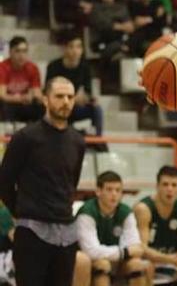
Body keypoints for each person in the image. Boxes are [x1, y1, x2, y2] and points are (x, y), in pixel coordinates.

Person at [0, 77, 86, 286]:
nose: (65, 101)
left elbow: (71, 183)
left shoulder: (77, 141)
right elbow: (4, 182)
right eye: (59, 96)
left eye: (70, 97)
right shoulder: (25, 137)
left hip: (66, 232)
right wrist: (22, 212)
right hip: (31, 231)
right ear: (46, 99)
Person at [133, 166, 177, 286]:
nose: (170, 189)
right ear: (157, 186)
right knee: (144, 267)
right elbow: (141, 249)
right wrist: (170, 259)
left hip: (172, 262)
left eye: (174, 185)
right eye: (165, 184)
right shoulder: (144, 209)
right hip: (149, 261)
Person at [75, 171, 151, 285]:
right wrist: (124, 252)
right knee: (103, 266)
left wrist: (125, 253)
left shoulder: (126, 212)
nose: (114, 194)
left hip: (116, 262)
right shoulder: (87, 212)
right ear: (98, 191)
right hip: (89, 263)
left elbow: (135, 248)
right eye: (109, 189)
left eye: (118, 190)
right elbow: (91, 251)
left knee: (137, 265)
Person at [46, 36, 104, 136]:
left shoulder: (85, 68)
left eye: (78, 47)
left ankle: (98, 141)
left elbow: (87, 93)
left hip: (76, 107)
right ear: (64, 49)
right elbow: (48, 92)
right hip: (58, 106)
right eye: (71, 47)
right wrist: (70, 98)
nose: (75, 51)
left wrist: (89, 98)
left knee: (96, 109)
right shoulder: (53, 67)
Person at [0, 36, 44, 123]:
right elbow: (2, 95)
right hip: (8, 104)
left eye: (24, 51)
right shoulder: (3, 67)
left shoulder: (33, 68)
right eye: (17, 51)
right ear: (10, 52)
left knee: (40, 105)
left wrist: (36, 97)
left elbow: (37, 92)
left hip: (25, 104)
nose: (21, 55)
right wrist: (20, 98)